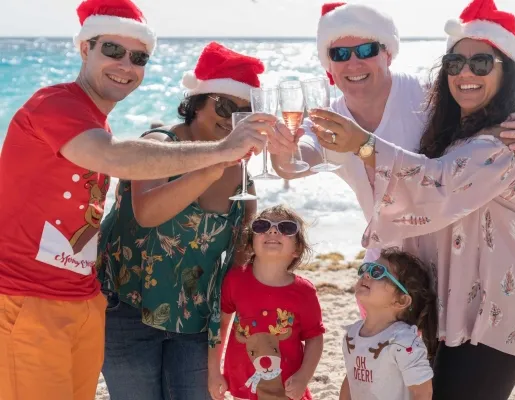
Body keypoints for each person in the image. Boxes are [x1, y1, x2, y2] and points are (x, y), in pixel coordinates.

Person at [0, 1, 279, 399]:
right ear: (84, 48)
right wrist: (220, 152)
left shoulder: (95, 121)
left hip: (84, 299)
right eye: (112, 50)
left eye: (139, 57)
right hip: (28, 299)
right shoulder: (54, 105)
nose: (126, 64)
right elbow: (117, 157)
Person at [309, 0, 515, 398]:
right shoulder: (446, 127)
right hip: (441, 303)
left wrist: (366, 146)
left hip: (494, 311)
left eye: (482, 63)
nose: (466, 73)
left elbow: (438, 188)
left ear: (507, 72)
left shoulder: (509, 137)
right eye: (455, 64)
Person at [268, 1, 515, 266]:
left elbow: (487, 96)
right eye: (339, 54)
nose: (353, 63)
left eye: (366, 50)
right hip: (387, 267)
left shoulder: (424, 94)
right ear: (328, 66)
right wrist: (282, 150)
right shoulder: (330, 121)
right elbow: (294, 162)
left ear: (387, 53)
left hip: (446, 261)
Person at [97, 41, 266, 400]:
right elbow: (147, 213)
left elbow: (239, 261)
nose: (231, 119)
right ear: (196, 103)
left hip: (195, 321)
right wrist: (214, 163)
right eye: (223, 105)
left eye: (244, 113)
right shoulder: (158, 144)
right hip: (126, 310)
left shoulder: (242, 175)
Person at [208, 205, 325, 400]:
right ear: (251, 243)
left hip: (287, 390)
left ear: (297, 249)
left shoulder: (304, 292)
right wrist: (214, 372)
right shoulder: (235, 280)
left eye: (286, 228)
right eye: (262, 226)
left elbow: (315, 338)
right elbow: (220, 327)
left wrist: (303, 378)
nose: (272, 230)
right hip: (244, 386)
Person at [339, 248, 437, 400]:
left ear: (401, 300)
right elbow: (351, 381)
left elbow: (423, 392)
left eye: (377, 272)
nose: (366, 274)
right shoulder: (352, 335)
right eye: (367, 268)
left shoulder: (404, 342)